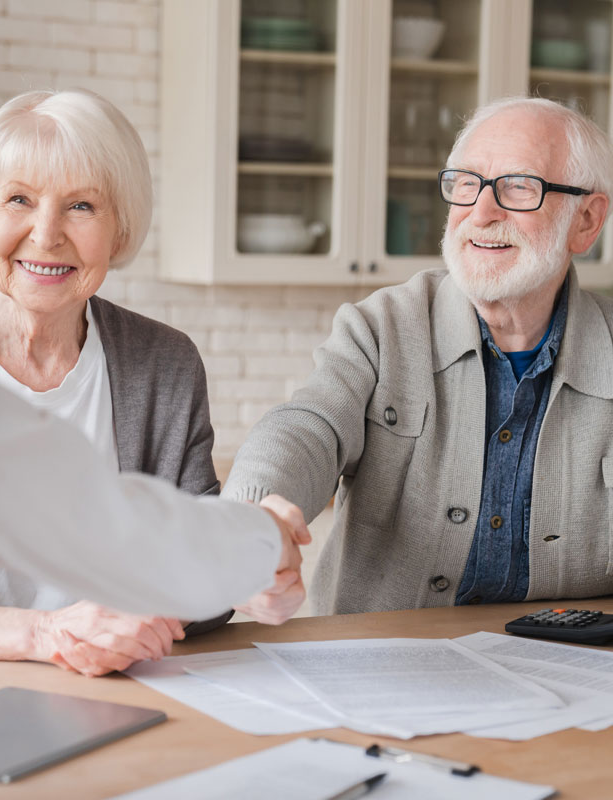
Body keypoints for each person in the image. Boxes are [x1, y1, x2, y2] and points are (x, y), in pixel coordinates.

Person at [0, 2, 310, 797]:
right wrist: (263, 540)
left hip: (92, 715)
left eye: (80, 205)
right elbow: (114, 529)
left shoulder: (160, 361)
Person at [0, 89, 292, 678]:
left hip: (122, 690)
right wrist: (46, 635)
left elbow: (194, 583)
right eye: (19, 199)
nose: (46, 234)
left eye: (81, 206)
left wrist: (242, 569)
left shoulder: (164, 363)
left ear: (119, 229)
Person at [224, 96, 613, 616]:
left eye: (519, 187)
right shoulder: (381, 327)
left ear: (586, 221)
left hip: (576, 681)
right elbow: (307, 426)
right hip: (382, 674)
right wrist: (252, 517)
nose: (480, 212)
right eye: (467, 183)